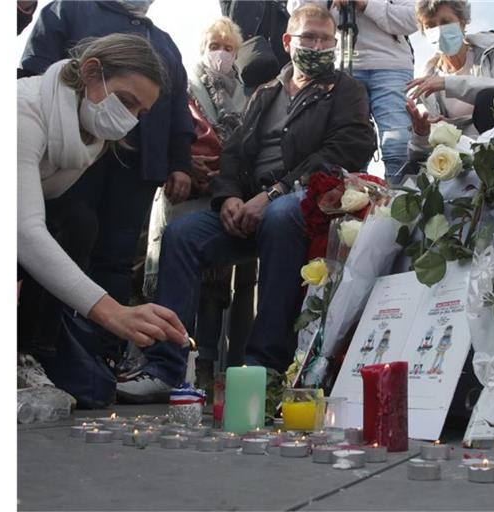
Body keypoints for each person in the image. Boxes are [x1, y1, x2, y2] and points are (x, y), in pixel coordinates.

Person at [115, 3, 376, 402]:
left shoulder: (346, 91)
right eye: (310, 37)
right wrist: (230, 199)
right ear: (289, 42)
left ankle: (264, 365)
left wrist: (271, 195)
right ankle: (165, 367)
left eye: (327, 39)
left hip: (303, 202)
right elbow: (235, 154)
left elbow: (347, 149)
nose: (319, 46)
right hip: (248, 204)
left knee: (281, 216)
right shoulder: (265, 93)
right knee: (182, 235)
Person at [19, 0, 195, 371]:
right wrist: (112, 312)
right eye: (126, 102)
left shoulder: (92, 136)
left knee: (80, 227)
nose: (128, 120)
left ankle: (42, 353)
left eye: (141, 114)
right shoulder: (21, 114)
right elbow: (24, 230)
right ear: (90, 72)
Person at [140, 16, 254, 391]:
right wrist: (184, 163)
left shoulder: (252, 94)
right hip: (185, 193)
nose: (220, 54)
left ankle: (205, 365)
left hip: (225, 196)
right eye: (214, 46)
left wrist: (228, 174)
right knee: (178, 268)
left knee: (215, 291)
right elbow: (169, 128)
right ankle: (165, 362)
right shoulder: (182, 85)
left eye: (228, 48)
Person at [288, 0, 418, 184]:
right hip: (340, 68)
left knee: (397, 144)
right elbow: (298, 12)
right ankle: (352, 206)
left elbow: (414, 18)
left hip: (391, 66)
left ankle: (398, 205)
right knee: (349, 146)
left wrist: (365, 4)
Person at [406, 0, 494, 162]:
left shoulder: (491, 50)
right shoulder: (425, 83)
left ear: (463, 23)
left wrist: (448, 83)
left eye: (445, 22)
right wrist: (421, 134)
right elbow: (419, 155)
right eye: (430, 26)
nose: (439, 30)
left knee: (487, 97)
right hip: (461, 161)